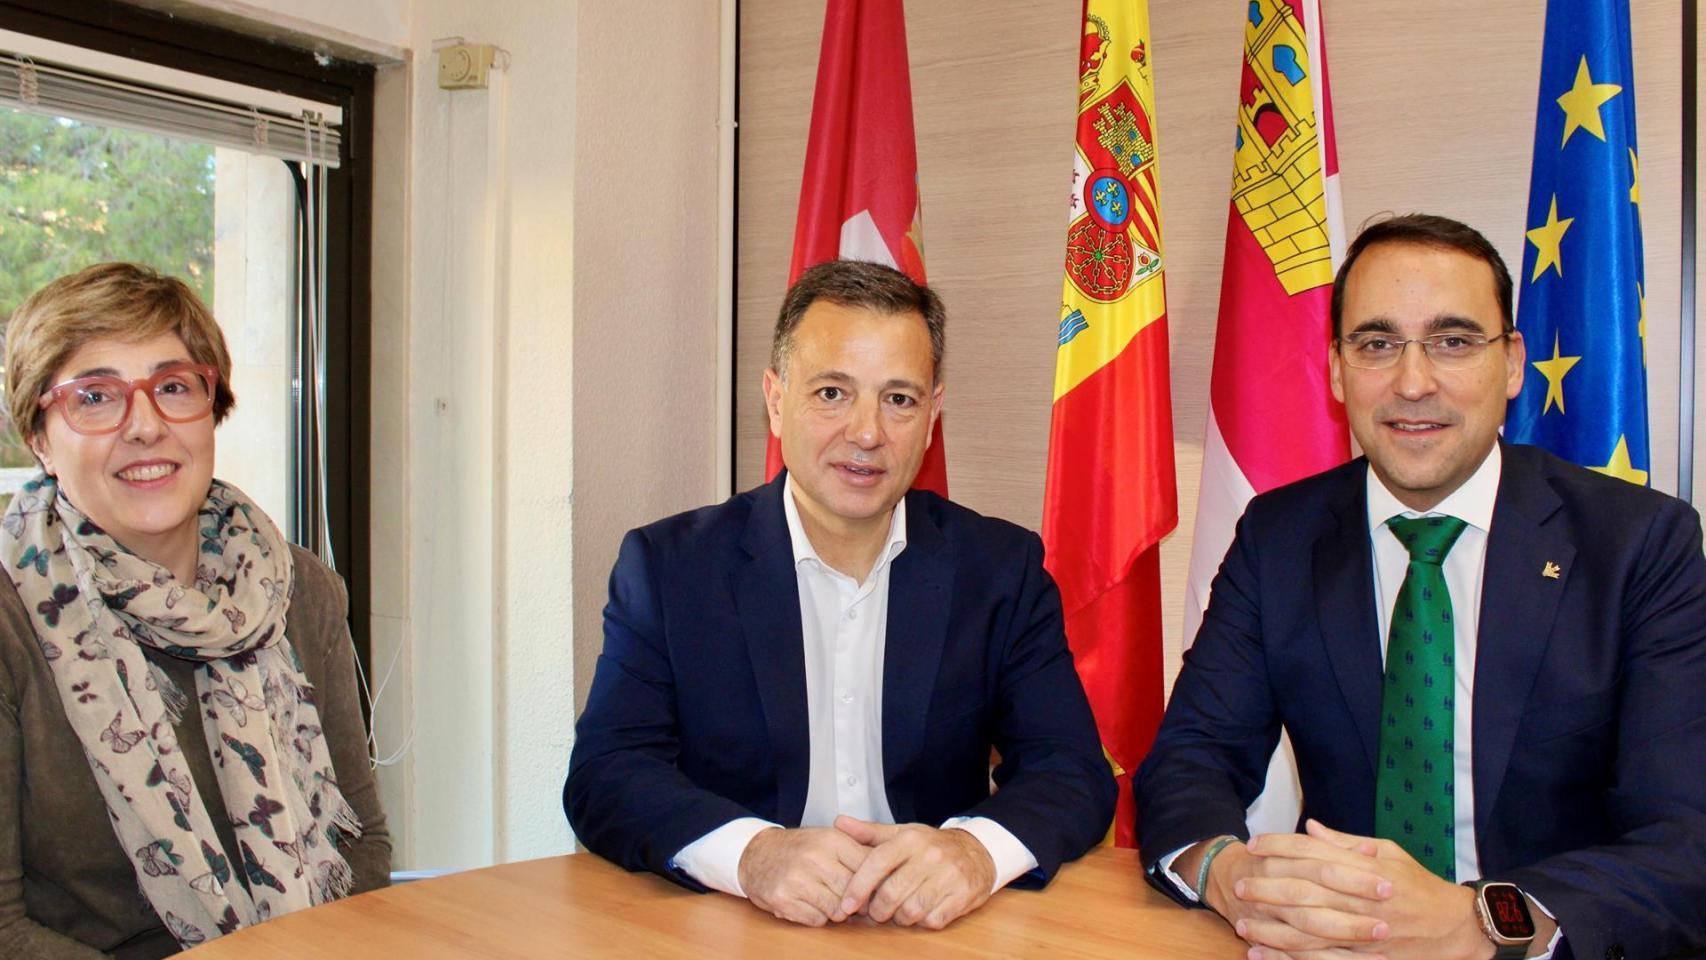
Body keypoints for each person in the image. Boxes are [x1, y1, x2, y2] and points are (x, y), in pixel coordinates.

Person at [1135, 214, 1706, 960]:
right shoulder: (1279, 537)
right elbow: (1191, 756)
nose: (1412, 382)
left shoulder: (1638, 544)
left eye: (1454, 341)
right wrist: (1229, 874)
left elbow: (1686, 840)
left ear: (1511, 365)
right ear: (1338, 370)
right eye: (1376, 344)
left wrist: (1481, 923)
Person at [565, 259, 1113, 930]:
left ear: (933, 413)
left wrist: (973, 852)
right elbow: (607, 773)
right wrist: (752, 854)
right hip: (737, 929)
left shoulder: (999, 569)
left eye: (899, 399)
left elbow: (1072, 771)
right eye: (832, 393)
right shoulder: (671, 568)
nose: (866, 433)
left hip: (933, 934)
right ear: (775, 398)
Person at [0, 264, 390, 958]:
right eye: (95, 397)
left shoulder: (302, 590)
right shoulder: (9, 619)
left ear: (212, 408)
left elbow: (361, 843)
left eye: (174, 387)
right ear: (38, 437)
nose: (146, 426)